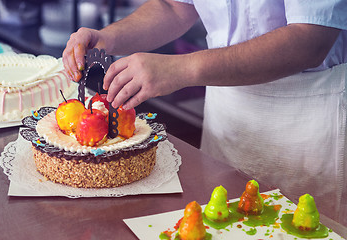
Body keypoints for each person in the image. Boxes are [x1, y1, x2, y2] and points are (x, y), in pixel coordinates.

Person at [63, 0, 347, 225]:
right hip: (226, 117)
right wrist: (107, 37)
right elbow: (174, 6)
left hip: (308, 120)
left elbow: (310, 39)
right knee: (219, 222)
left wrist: (182, 69)